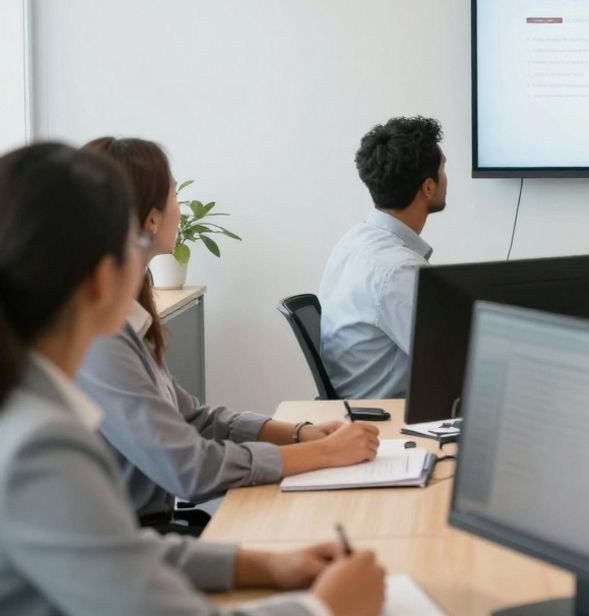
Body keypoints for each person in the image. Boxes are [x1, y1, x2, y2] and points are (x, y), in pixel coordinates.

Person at [0, 142, 385, 616]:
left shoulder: (29, 409)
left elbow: (120, 550)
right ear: (102, 278)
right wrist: (326, 608)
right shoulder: (40, 447)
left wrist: (268, 566)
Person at [77, 137, 380, 534]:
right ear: (151, 220)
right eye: (173, 194)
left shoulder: (130, 320)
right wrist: (321, 453)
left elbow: (196, 418)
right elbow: (190, 470)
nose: (179, 208)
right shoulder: (103, 340)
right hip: (132, 543)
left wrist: (300, 433)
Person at [320, 116, 447, 398]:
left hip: (359, 411)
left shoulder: (354, 241)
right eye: (443, 168)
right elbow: (450, 363)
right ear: (428, 187)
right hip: (389, 422)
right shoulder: (399, 270)